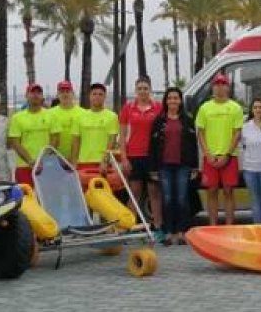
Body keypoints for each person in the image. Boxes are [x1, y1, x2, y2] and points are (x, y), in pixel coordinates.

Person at [149, 88, 198, 245]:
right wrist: (153, 169)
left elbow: (193, 145)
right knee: (168, 199)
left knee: (182, 199)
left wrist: (195, 167)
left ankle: (182, 232)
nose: (173, 101)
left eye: (176, 98)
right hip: (164, 166)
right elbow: (152, 146)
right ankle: (169, 232)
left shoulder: (188, 120)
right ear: (166, 101)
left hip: (183, 165)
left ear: (180, 101)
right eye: (170, 98)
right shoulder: (159, 121)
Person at [196, 74, 244, 225]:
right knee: (211, 191)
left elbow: (237, 133)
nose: (220, 87)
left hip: (229, 157)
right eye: (217, 84)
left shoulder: (235, 108)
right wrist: (207, 154)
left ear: (228, 87)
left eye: (223, 84)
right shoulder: (204, 108)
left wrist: (227, 154)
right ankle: (213, 225)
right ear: (213, 87)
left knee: (229, 191)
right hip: (210, 157)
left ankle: (229, 225)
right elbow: (200, 133)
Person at [120, 77, 163, 229]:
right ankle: (127, 226)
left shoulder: (158, 108)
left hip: (152, 157)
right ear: (135, 90)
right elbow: (122, 135)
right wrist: (124, 158)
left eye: (145, 88)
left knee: (154, 193)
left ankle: (158, 226)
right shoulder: (128, 108)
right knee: (135, 193)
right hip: (134, 156)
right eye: (140, 88)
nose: (143, 91)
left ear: (150, 90)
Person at [7, 83, 59, 185]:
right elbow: (15, 143)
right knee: (25, 195)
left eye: (39, 93)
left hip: (46, 166)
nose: (36, 95)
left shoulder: (51, 116)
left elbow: (55, 140)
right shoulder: (17, 118)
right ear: (26, 95)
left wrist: (42, 161)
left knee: (46, 195)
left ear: (42, 97)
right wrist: (30, 161)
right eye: (32, 92)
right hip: (24, 166)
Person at [70, 83, 119, 175]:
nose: (97, 97)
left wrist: (105, 160)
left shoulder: (112, 116)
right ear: (89, 96)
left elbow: (111, 142)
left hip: (103, 164)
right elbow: (75, 142)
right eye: (94, 94)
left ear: (105, 97)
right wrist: (73, 163)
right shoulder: (79, 117)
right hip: (83, 162)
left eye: (100, 94)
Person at [48, 80, 83, 164]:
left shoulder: (83, 113)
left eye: (67, 91)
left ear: (73, 93)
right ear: (57, 94)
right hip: (55, 159)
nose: (65, 94)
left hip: (78, 159)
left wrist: (74, 158)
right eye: (62, 92)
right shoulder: (49, 113)